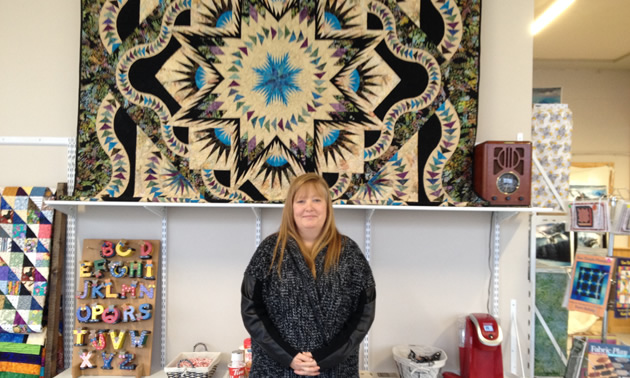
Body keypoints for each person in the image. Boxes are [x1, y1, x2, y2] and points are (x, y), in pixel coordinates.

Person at [241, 173, 376, 377]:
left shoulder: (349, 252)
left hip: (335, 369)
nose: (309, 207)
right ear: (291, 207)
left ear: (327, 206)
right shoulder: (269, 250)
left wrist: (324, 358)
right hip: (277, 368)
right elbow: (252, 310)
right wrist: (289, 357)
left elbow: (363, 313)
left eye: (316, 200)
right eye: (301, 200)